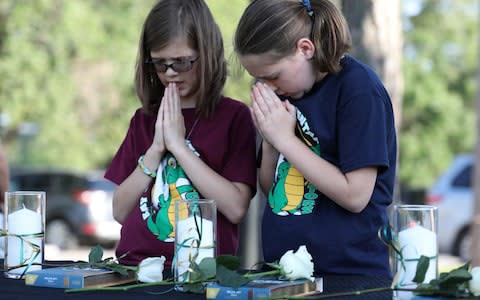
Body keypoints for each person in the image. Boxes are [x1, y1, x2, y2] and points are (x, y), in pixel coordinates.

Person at [234, 0, 397, 276]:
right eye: (259, 79)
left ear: (305, 49)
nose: (268, 87)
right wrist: (271, 142)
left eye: (273, 76)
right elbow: (270, 189)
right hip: (280, 271)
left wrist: (286, 140)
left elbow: (356, 195)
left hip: (346, 275)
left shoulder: (358, 90)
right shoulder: (287, 94)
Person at [105, 0, 257, 269]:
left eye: (182, 62)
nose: (170, 73)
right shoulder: (143, 120)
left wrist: (179, 146)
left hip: (201, 272)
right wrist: (155, 151)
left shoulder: (234, 117)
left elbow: (236, 208)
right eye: (160, 64)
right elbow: (119, 211)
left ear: (207, 53)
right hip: (136, 268)